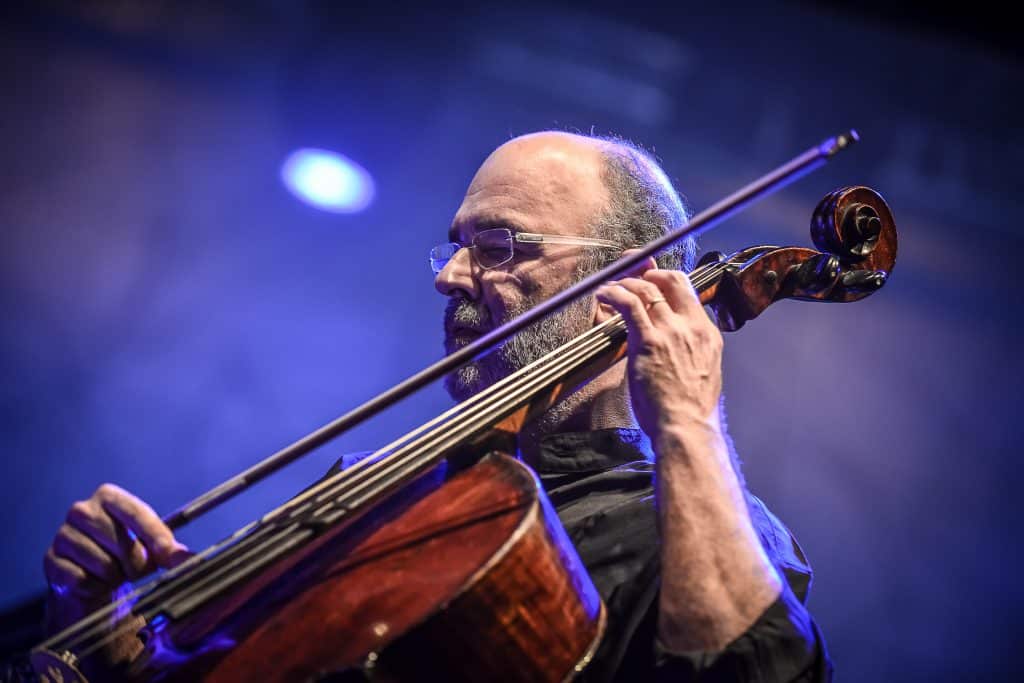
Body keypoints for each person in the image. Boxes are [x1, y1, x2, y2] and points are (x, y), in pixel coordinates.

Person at [41, 131, 832, 681]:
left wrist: (688, 423)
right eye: (455, 243)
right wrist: (106, 634)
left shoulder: (703, 527)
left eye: (496, 248)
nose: (448, 275)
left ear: (622, 289)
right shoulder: (386, 490)